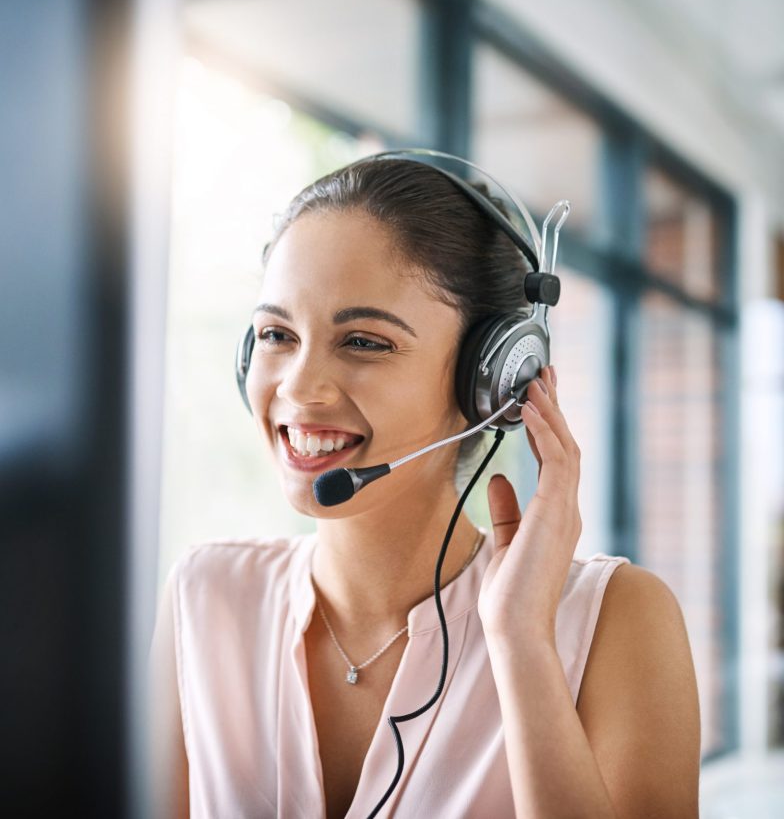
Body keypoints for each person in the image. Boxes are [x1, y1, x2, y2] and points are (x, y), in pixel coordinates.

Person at [148, 157, 701, 818]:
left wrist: (521, 640)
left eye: (363, 341)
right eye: (276, 334)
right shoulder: (207, 596)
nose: (297, 386)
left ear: (492, 378)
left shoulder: (616, 620)